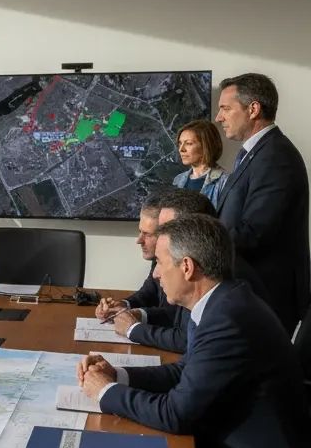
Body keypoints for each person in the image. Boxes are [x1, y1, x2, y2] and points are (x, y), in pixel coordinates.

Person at [79, 215, 309, 448]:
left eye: (160, 262)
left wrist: (105, 391)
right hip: (229, 438)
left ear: (187, 267)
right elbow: (183, 371)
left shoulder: (228, 319)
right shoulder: (223, 300)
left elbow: (175, 415)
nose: (155, 274)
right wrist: (118, 375)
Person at [215, 72, 310, 334]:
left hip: (266, 295)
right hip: (251, 292)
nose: (218, 117)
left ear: (253, 109)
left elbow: (254, 233)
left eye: (225, 108)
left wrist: (202, 239)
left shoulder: (275, 157)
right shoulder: (255, 152)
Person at [111, 189, 216, 353]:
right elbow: (173, 315)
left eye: (165, 230)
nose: (156, 274)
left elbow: (186, 340)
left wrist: (134, 329)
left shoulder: (212, 277)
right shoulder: (181, 260)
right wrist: (135, 312)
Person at [94, 196, 163, 321]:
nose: (138, 241)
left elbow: (173, 316)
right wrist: (122, 305)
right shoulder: (157, 259)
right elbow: (148, 293)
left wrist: (135, 315)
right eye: (140, 231)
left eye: (147, 234)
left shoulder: (180, 264)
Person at [172, 118, 227, 209]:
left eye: (189, 143)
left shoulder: (224, 181)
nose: (181, 149)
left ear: (206, 146)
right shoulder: (178, 180)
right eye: (180, 143)